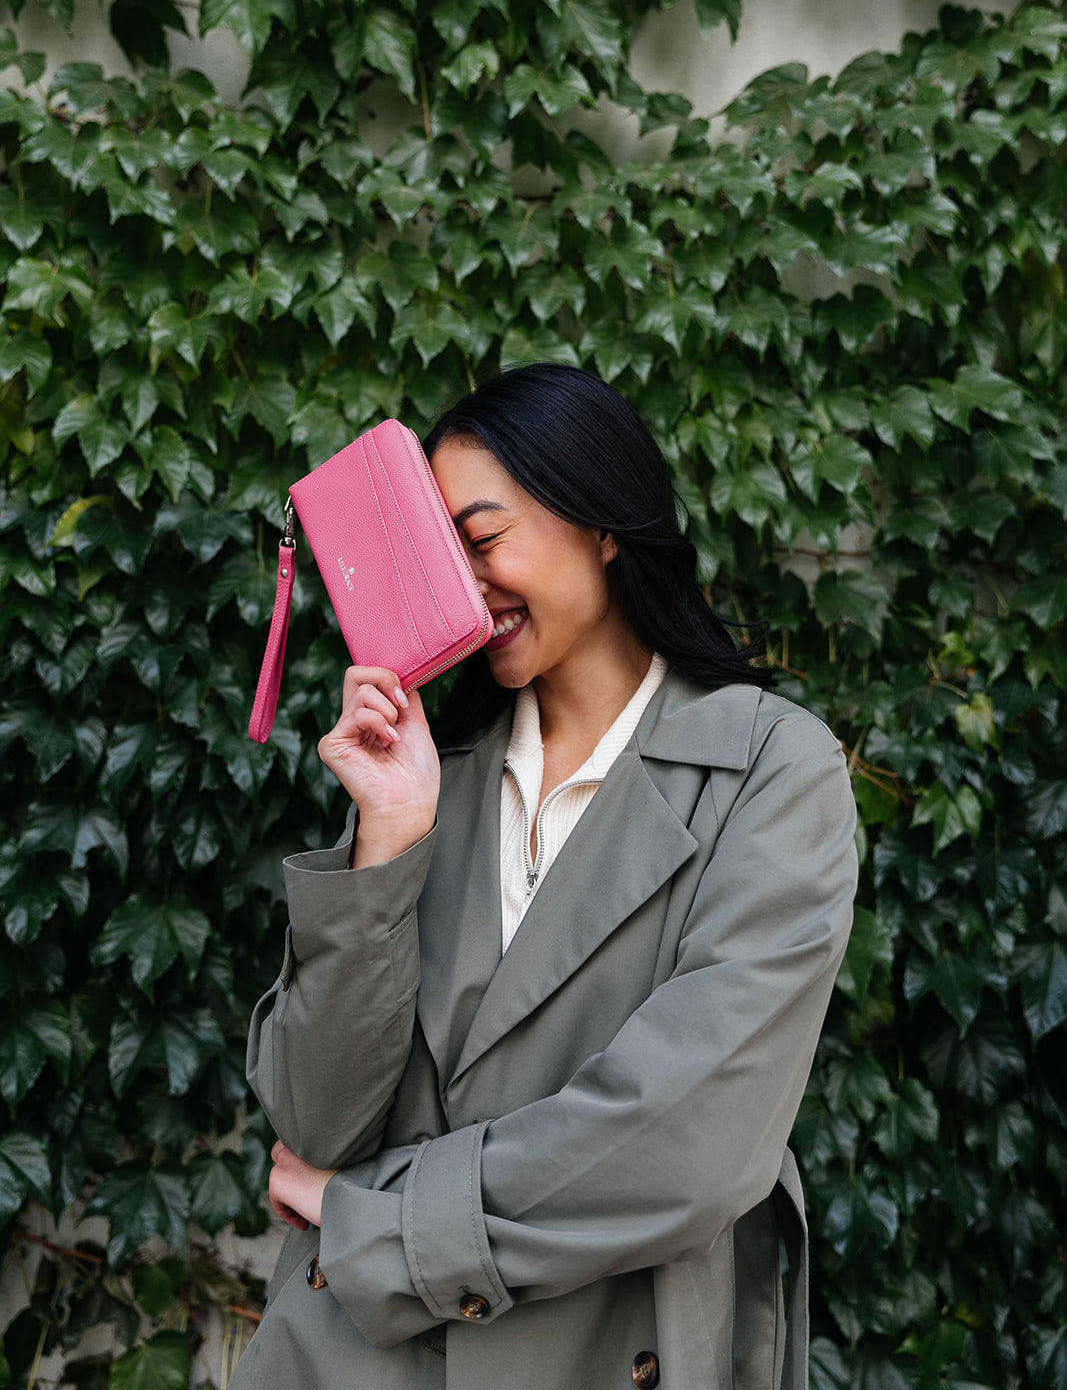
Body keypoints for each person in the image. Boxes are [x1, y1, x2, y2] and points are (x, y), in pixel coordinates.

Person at [231, 363, 857, 1390]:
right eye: (439, 555)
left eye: (481, 541)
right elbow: (313, 1119)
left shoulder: (768, 773)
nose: (461, 583)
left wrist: (377, 1219)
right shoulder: (431, 776)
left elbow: (683, 1141)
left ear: (605, 524)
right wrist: (386, 835)